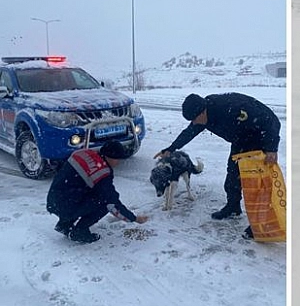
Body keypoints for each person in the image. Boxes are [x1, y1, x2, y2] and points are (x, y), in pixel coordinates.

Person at [154, 93, 281, 239]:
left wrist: (272, 148)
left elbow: (271, 120)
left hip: (260, 138)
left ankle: (260, 223)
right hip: (241, 140)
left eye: (194, 119)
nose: (194, 123)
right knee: (233, 176)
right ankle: (233, 208)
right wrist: (171, 149)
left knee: (257, 185)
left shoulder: (231, 108)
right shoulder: (202, 116)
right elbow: (189, 132)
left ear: (202, 112)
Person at [46, 141, 149, 244]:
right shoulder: (102, 173)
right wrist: (134, 218)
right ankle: (79, 231)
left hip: (54, 199)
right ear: (109, 156)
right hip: (66, 204)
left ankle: (64, 224)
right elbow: (112, 202)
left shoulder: (84, 153)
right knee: (104, 203)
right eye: (117, 159)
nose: (118, 162)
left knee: (87, 192)